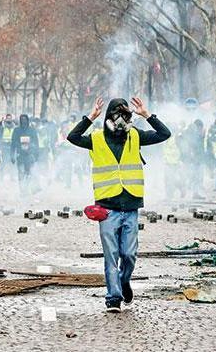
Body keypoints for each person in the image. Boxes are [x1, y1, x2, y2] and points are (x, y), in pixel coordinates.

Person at [68, 97, 170, 313]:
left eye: (125, 116)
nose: (121, 121)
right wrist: (90, 117)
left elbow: (164, 134)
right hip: (107, 208)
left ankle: (124, 282)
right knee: (111, 255)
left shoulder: (135, 136)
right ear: (108, 118)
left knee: (129, 254)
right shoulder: (96, 139)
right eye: (117, 115)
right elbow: (72, 137)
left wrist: (147, 115)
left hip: (131, 206)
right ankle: (113, 297)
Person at [10, 114, 38, 193]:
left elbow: (36, 143)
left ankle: (28, 187)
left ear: (27, 120)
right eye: (22, 119)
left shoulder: (32, 130)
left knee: (29, 173)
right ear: (20, 121)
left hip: (30, 155)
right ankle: (23, 190)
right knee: (21, 173)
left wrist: (36, 155)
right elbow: (13, 144)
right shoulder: (16, 130)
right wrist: (12, 155)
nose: (23, 121)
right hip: (20, 155)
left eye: (25, 119)